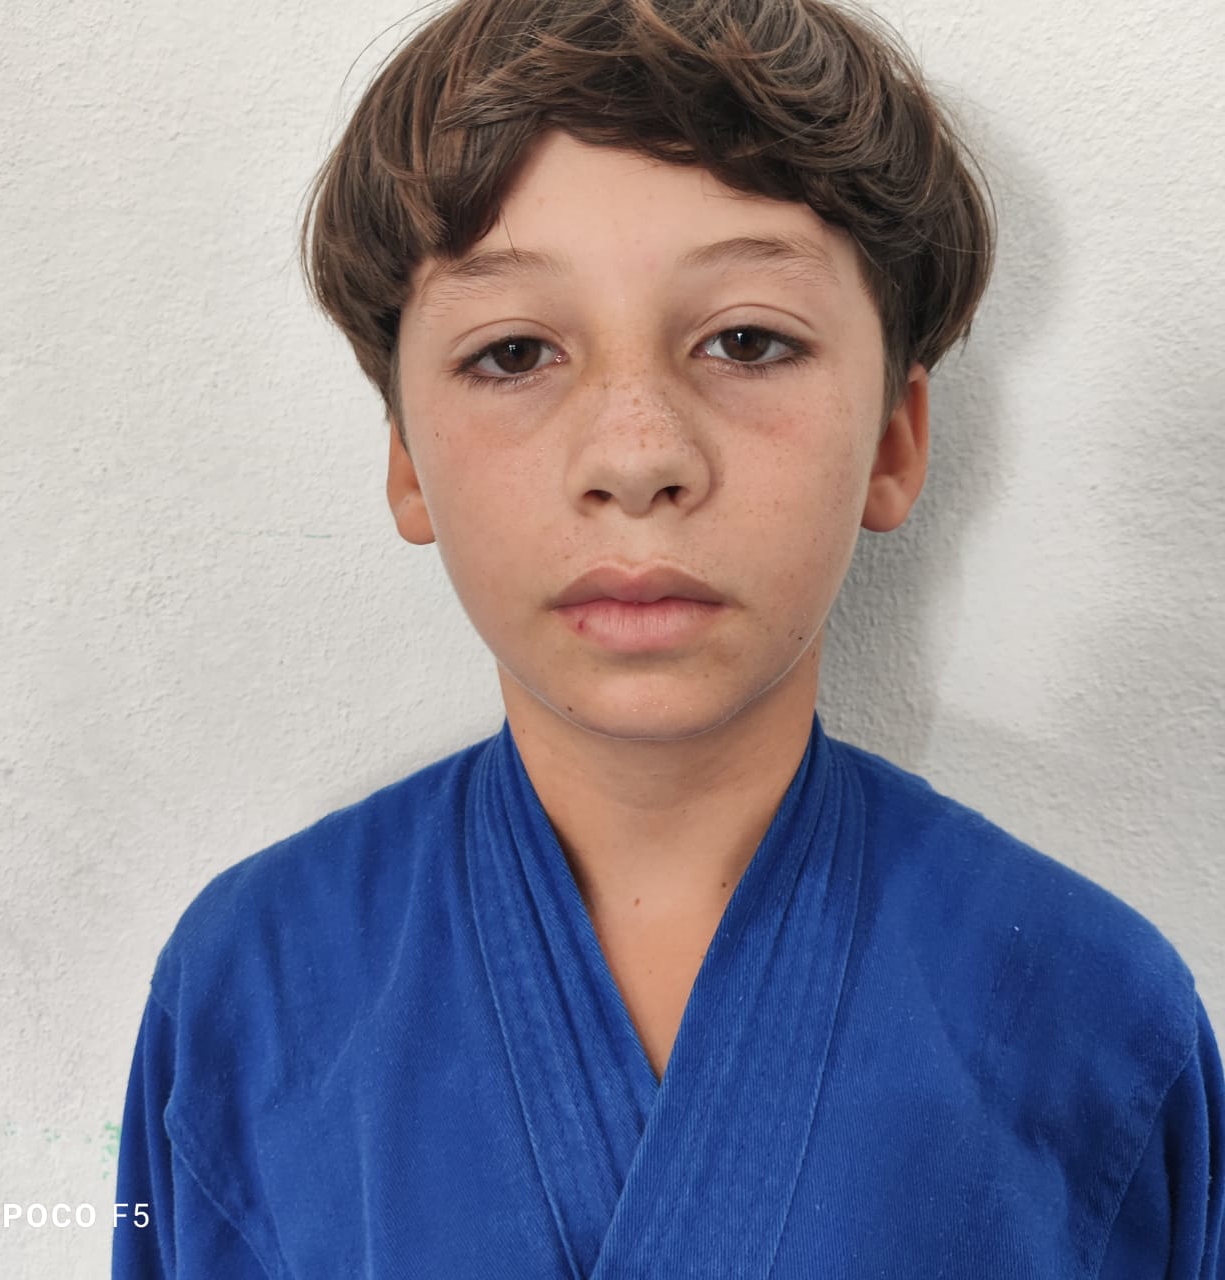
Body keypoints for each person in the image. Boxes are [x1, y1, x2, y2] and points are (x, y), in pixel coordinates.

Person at [112, 0, 1224, 1274]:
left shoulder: (1094, 1018)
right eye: (513, 351)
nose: (636, 455)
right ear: (407, 461)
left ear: (892, 441)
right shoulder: (248, 992)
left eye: (746, 340)